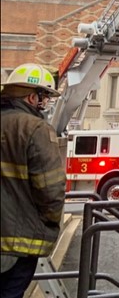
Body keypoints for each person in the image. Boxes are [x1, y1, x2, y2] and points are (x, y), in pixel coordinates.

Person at [0, 64, 66, 298]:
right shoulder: (36, 129)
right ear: (31, 96)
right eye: (44, 97)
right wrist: (48, 225)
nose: (45, 104)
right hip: (17, 246)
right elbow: (51, 190)